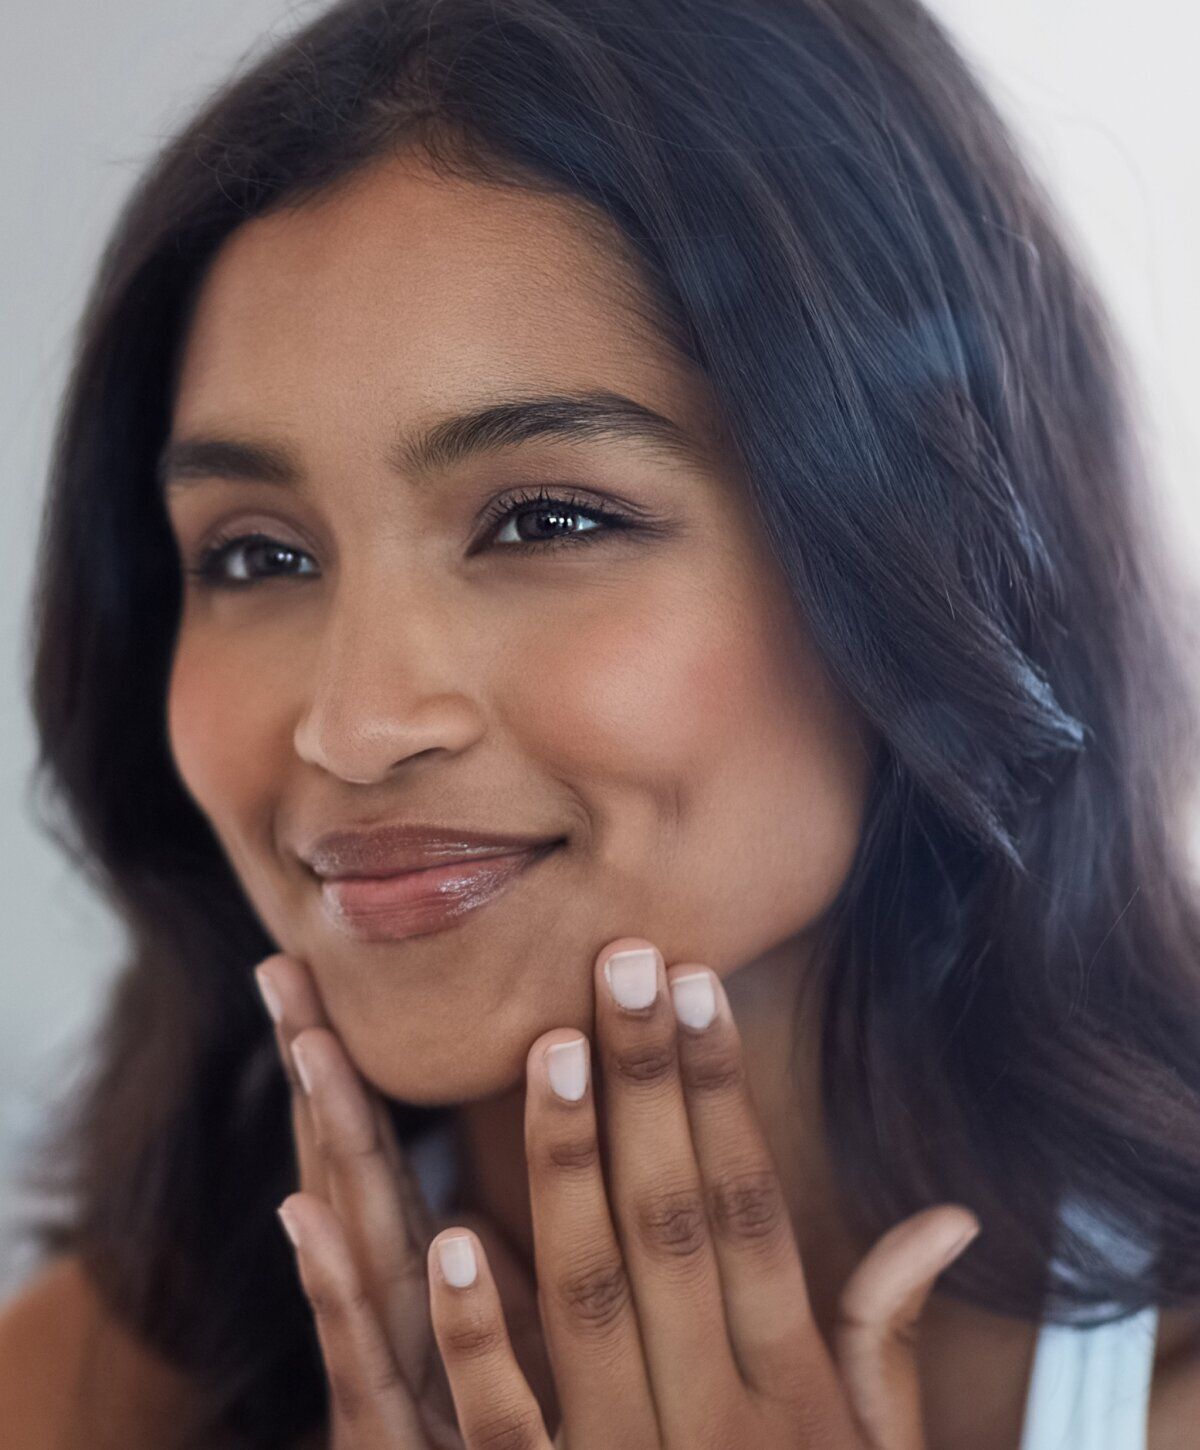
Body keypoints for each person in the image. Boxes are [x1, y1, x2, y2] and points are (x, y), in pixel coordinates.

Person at [2, 0, 1199, 1445]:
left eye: (544, 519)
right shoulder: (81, 1392)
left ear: (925, 553)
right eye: (258, 553)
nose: (357, 724)